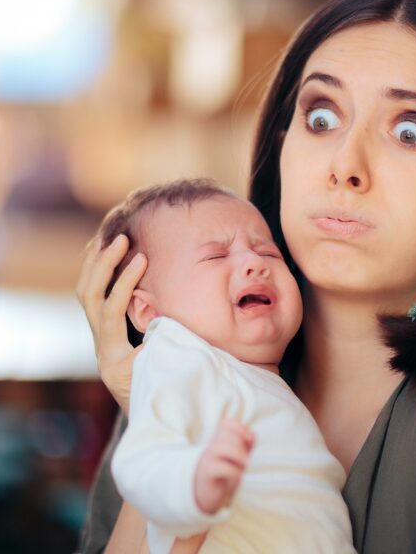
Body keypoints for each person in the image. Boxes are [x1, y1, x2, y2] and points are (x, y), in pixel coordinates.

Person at [76, 0, 416, 553]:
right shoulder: (191, 354)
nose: (344, 166)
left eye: (410, 131)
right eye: (322, 118)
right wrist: (153, 413)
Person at [92, 179, 355, 554]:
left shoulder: (250, 375)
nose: (254, 264)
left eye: (269, 253)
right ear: (148, 311)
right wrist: (194, 484)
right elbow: (142, 458)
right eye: (216, 256)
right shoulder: (177, 353)